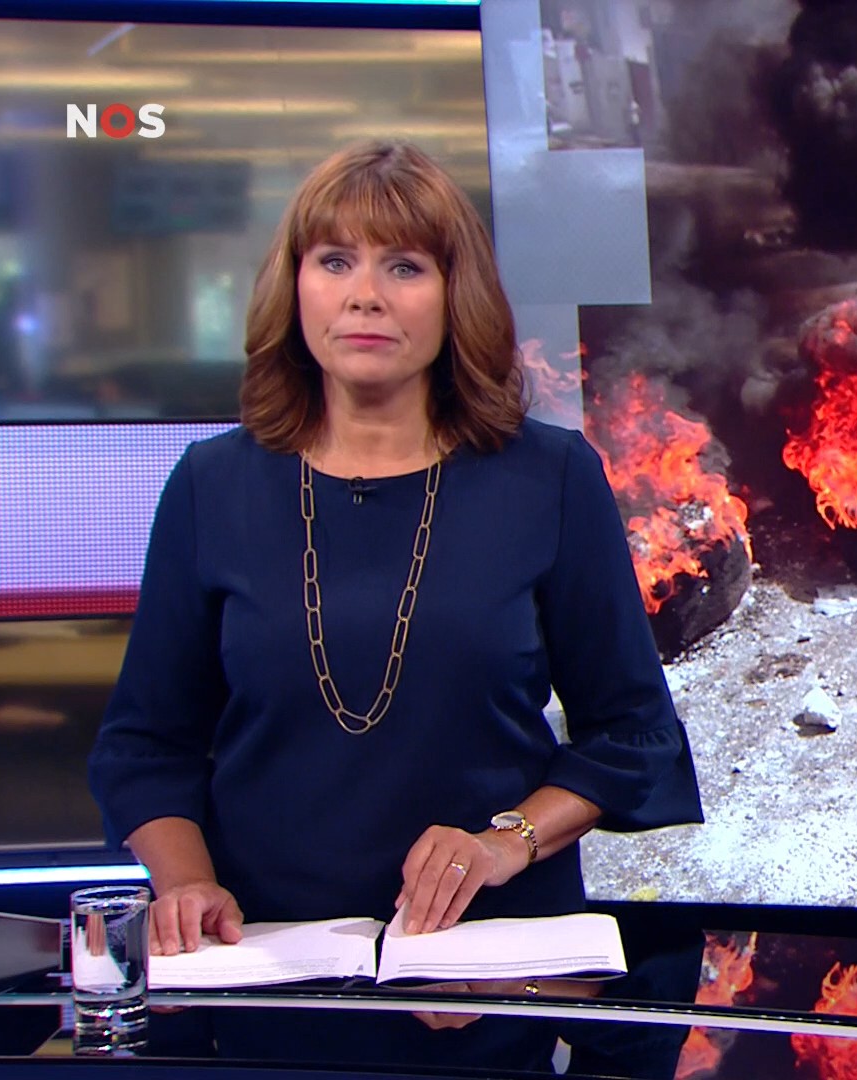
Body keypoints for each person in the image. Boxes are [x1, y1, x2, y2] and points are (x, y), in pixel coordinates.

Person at [87, 141, 702, 1061]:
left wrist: (505, 841)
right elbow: (146, 744)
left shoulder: (549, 477)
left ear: (456, 298)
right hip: (265, 977)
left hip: (484, 978)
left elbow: (634, 734)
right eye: (335, 261)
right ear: (295, 287)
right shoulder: (212, 485)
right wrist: (186, 883)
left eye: (405, 267)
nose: (365, 295)